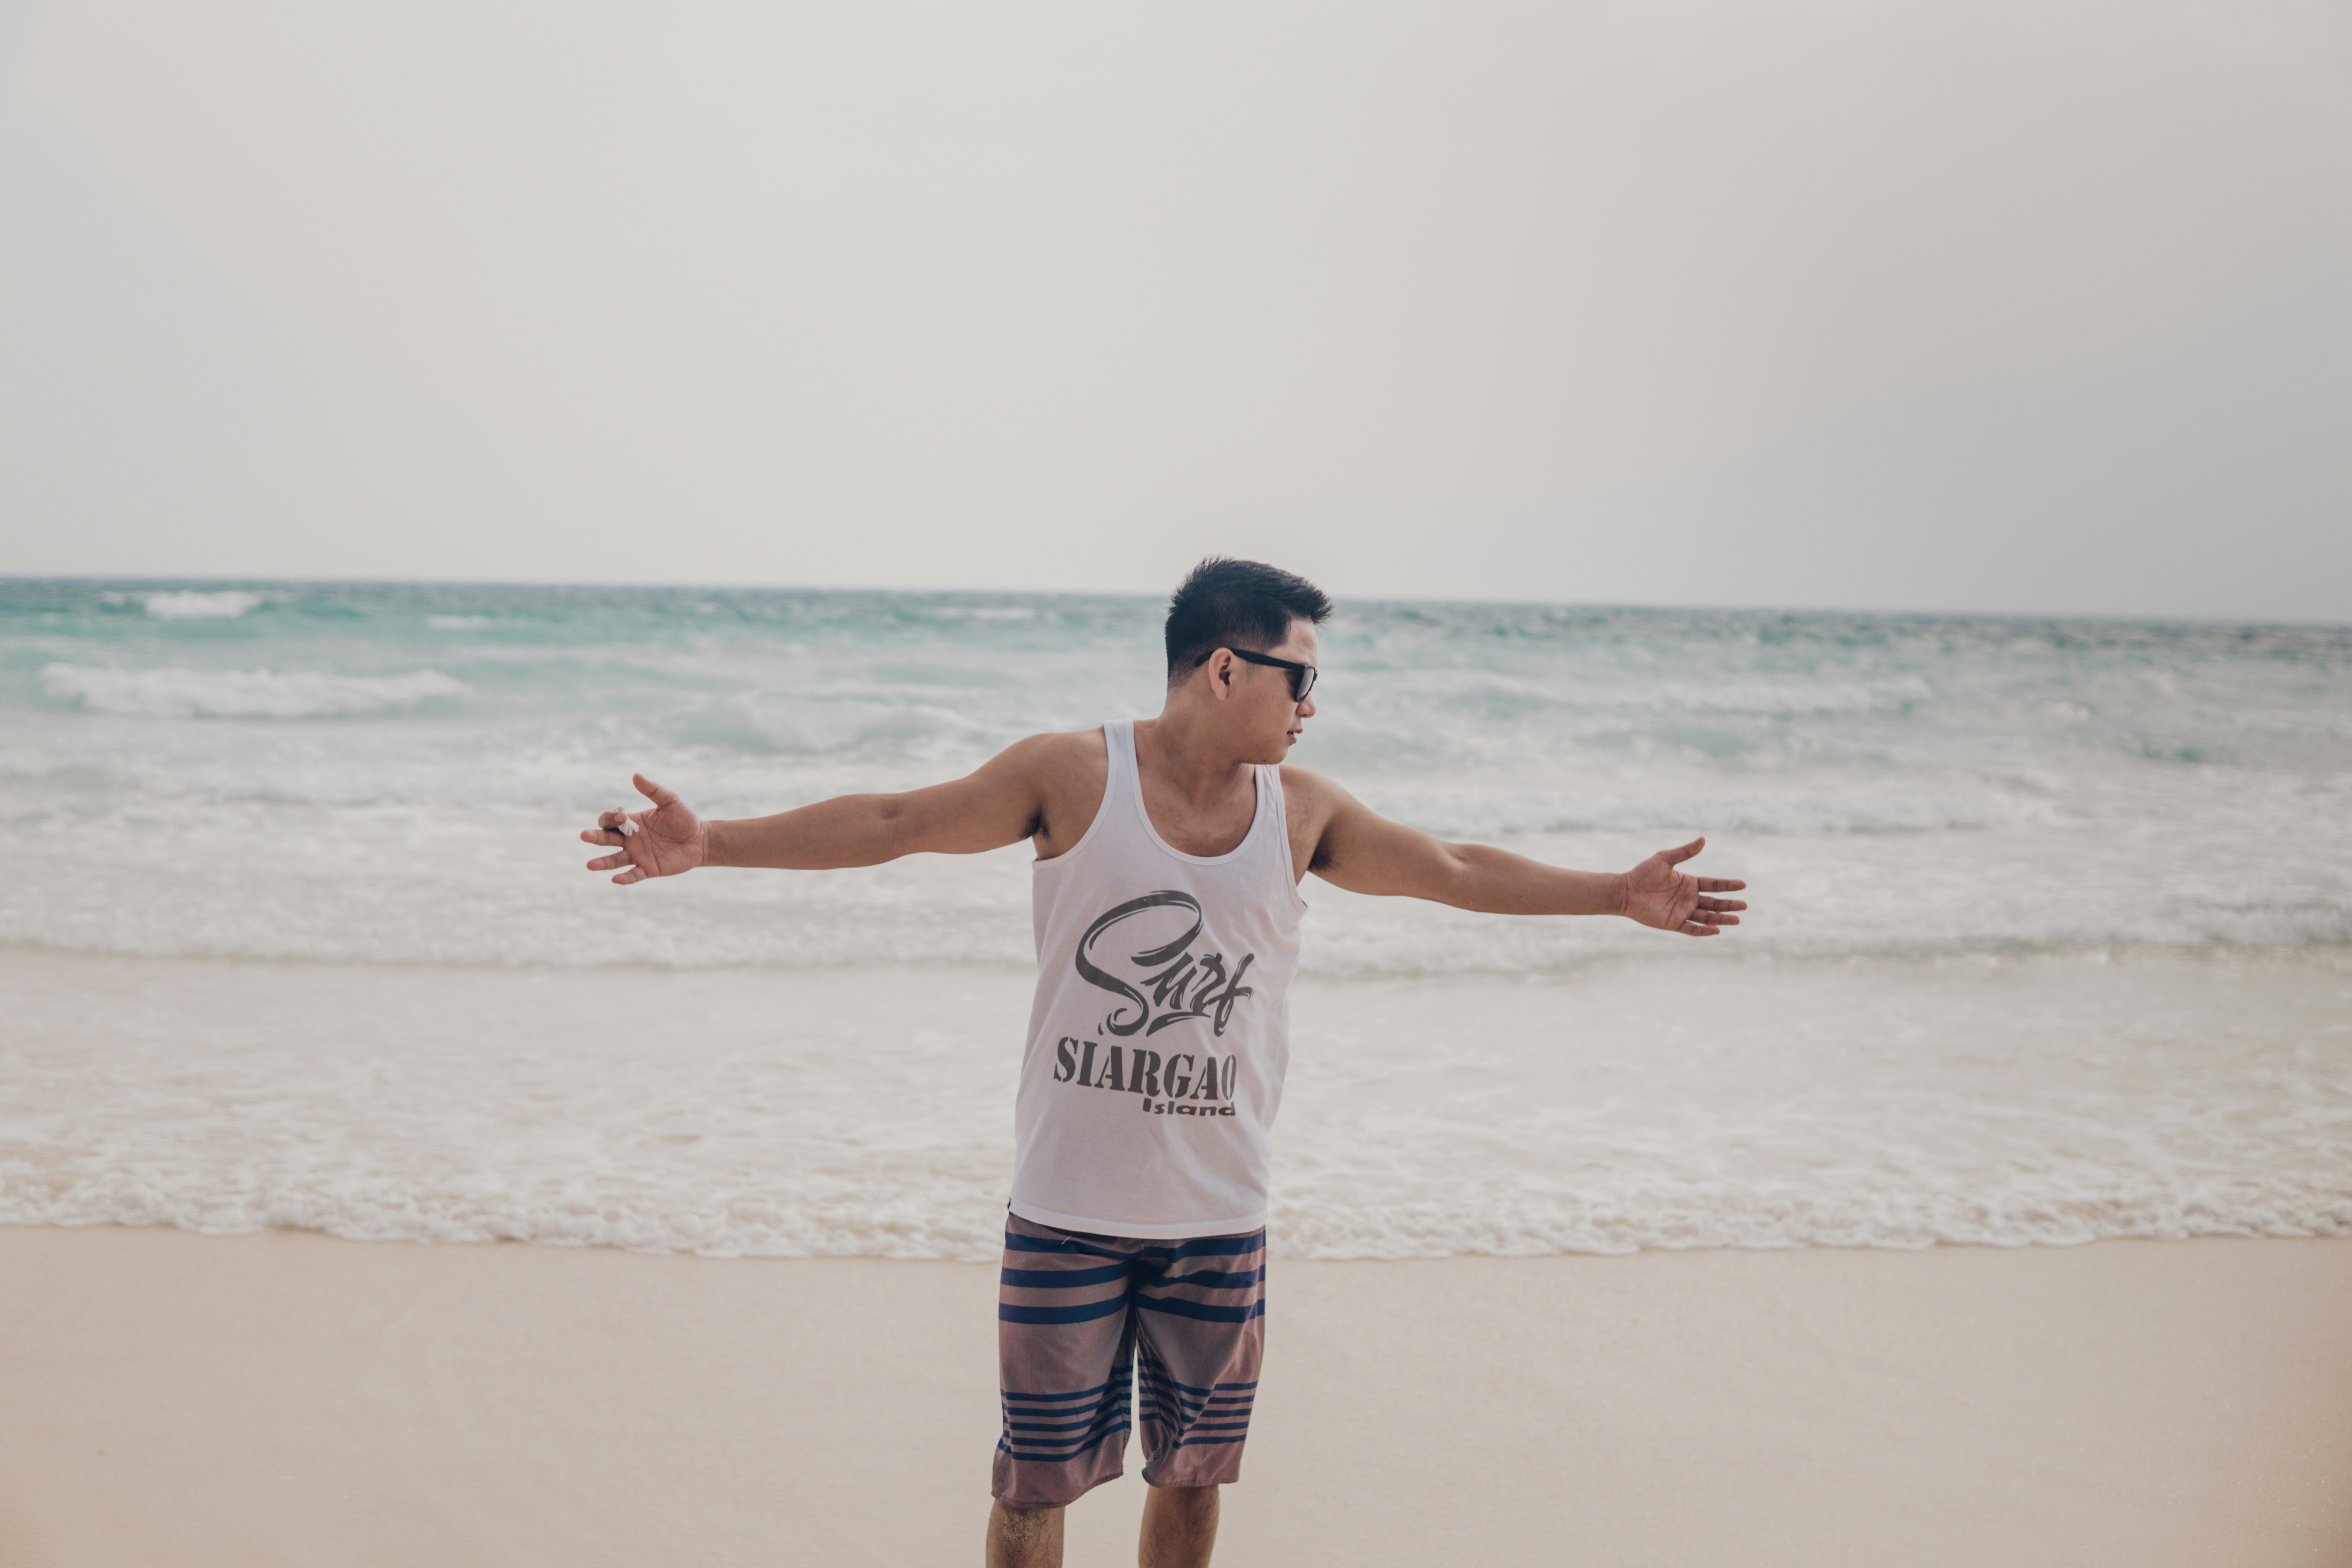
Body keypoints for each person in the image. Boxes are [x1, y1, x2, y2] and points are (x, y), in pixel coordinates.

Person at [579, 558, 1748, 1568]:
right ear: (1228, 669)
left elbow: (1449, 866)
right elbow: (898, 823)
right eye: (1304, 678)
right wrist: (716, 844)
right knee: (1033, 1486)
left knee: (1192, 1483)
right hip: (1066, 1209)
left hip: (1217, 1216)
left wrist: (1616, 896)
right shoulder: (1073, 776)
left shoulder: (1301, 814)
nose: (1313, 707)